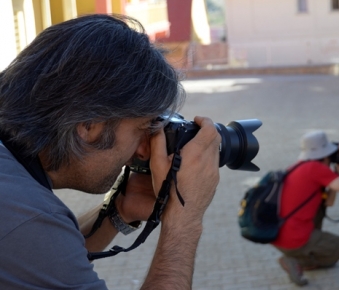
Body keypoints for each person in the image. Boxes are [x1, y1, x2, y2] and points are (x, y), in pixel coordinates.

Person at [0, 14, 221, 289]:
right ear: (89, 125)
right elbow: (37, 238)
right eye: (142, 129)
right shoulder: (26, 216)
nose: (143, 151)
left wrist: (119, 210)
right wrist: (184, 220)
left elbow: (42, 255)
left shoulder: (13, 188)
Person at [272, 130, 339, 286]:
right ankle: (296, 260)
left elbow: (328, 203)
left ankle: (299, 258)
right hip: (294, 239)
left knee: (331, 261)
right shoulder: (315, 169)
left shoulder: (298, 167)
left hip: (279, 236)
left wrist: (337, 173)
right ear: (325, 155)